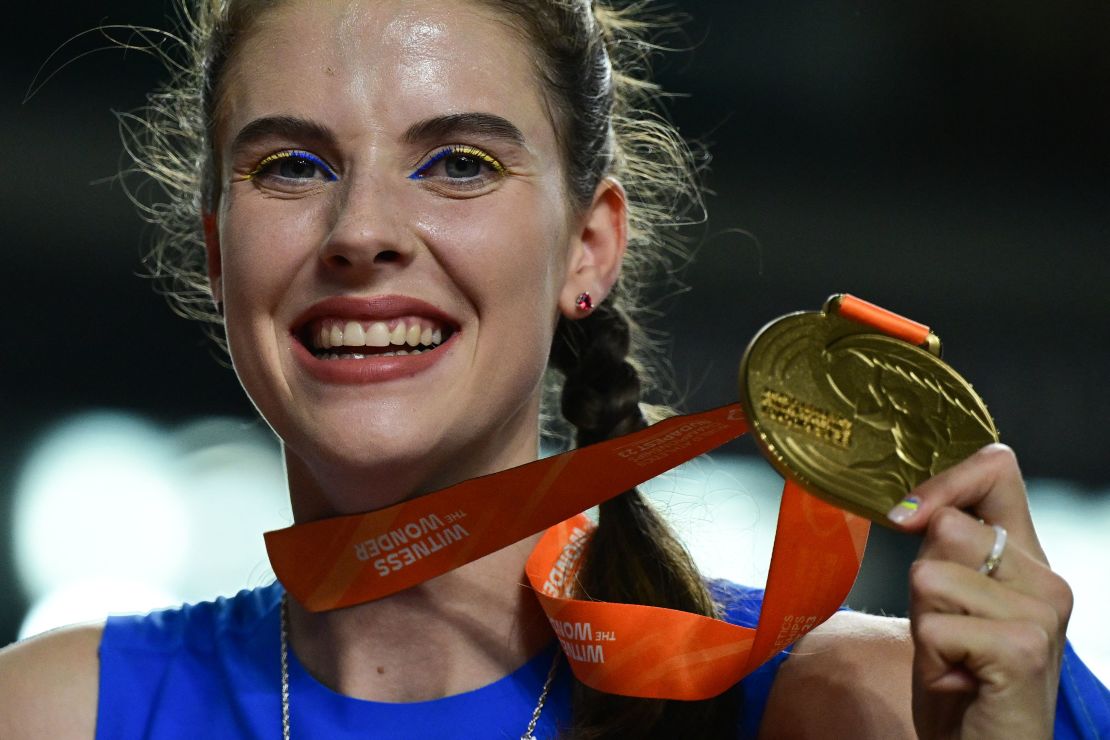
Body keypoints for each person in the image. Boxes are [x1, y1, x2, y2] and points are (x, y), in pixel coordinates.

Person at [1, 0, 1106, 737]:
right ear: (217, 250)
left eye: (459, 162)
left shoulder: (880, 703)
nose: (362, 229)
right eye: (291, 165)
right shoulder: (50, 712)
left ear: (589, 248)